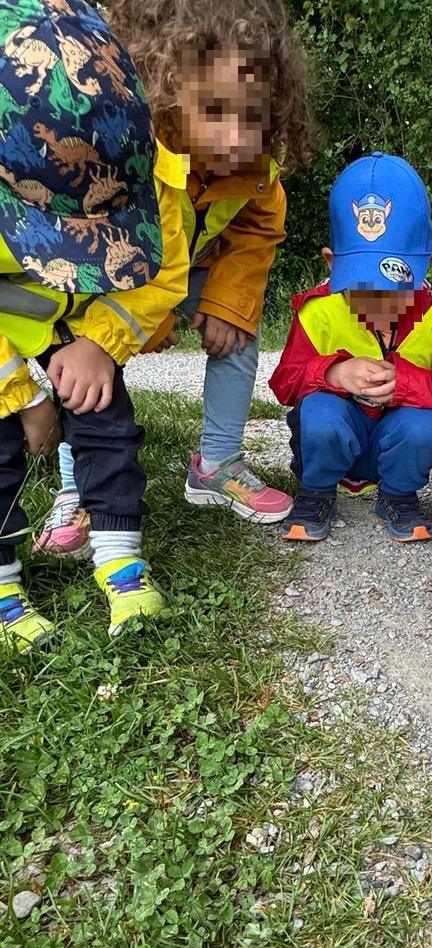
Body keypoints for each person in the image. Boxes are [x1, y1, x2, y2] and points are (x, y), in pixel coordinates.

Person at [35, 0, 317, 555]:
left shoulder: (258, 172)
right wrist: (118, 330)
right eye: (215, 110)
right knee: (87, 361)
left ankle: (217, 462)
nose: (237, 137)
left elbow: (260, 234)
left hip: (193, 273)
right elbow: (97, 245)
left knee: (238, 333)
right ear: (166, 90)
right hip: (120, 274)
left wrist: (227, 301)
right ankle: (78, 489)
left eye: (253, 116)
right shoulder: (127, 145)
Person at [0, 0, 189, 650]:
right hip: (6, 321)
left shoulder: (142, 152)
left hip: (73, 318)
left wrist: (98, 345)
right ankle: (1, 594)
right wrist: (24, 399)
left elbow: (164, 268)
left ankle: (121, 568)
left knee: (103, 410)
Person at [270, 152, 432, 543]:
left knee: (426, 426)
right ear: (332, 264)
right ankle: (316, 492)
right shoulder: (318, 311)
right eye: (364, 287)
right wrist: (332, 373)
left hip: (396, 439)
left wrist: (404, 383)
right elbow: (284, 382)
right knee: (318, 411)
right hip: (338, 434)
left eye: (396, 288)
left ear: (421, 269)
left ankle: (398, 494)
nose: (381, 302)